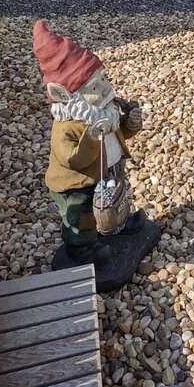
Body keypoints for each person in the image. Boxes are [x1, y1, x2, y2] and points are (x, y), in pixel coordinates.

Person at [33, 19, 143, 266]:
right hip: (79, 182)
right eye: (95, 86)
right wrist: (92, 136)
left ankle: (118, 224)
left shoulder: (105, 110)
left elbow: (118, 134)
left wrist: (130, 124)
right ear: (70, 97)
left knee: (117, 196)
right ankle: (81, 248)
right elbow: (74, 160)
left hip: (108, 170)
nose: (105, 89)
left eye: (103, 79)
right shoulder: (67, 127)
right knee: (81, 215)